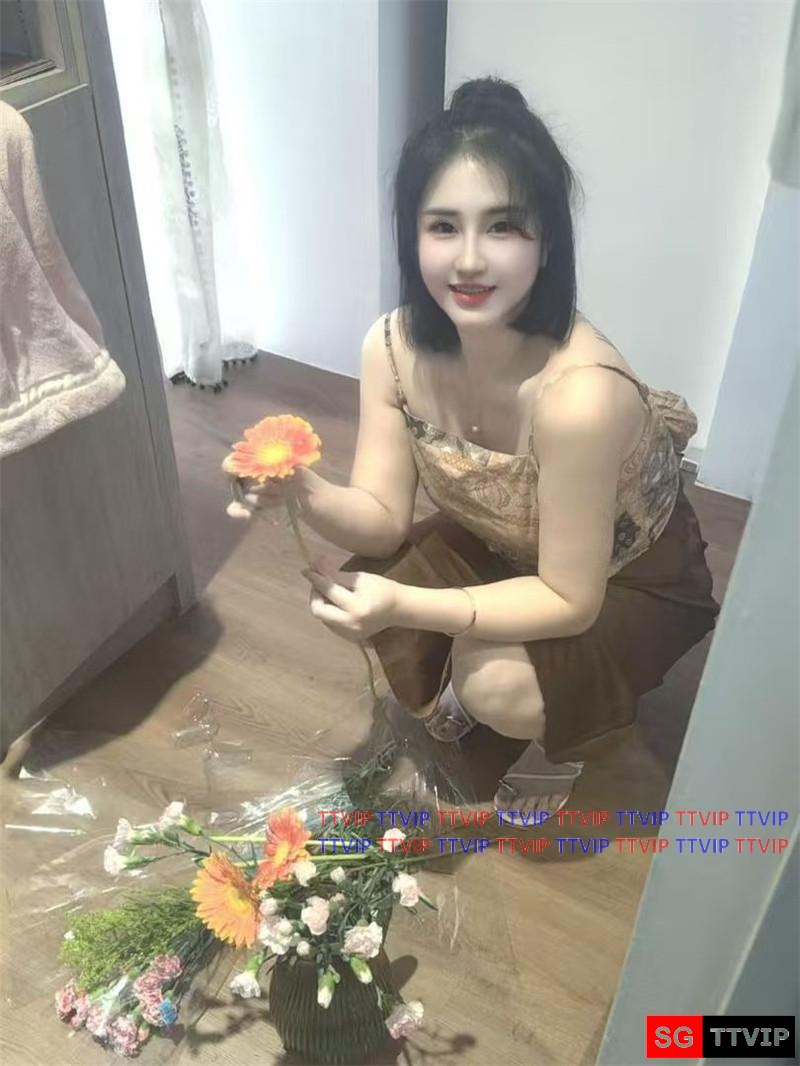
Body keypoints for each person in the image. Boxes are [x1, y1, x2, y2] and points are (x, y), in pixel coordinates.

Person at [226, 76, 721, 816]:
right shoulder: (392, 346)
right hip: (506, 545)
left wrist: (412, 605)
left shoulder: (579, 395)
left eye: (503, 227)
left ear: (547, 243)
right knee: (368, 580)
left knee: (495, 685)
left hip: (622, 577)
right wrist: (302, 487)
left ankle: (559, 743)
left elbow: (569, 597)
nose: (468, 260)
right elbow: (381, 520)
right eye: (443, 227)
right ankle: (481, 672)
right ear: (411, 235)